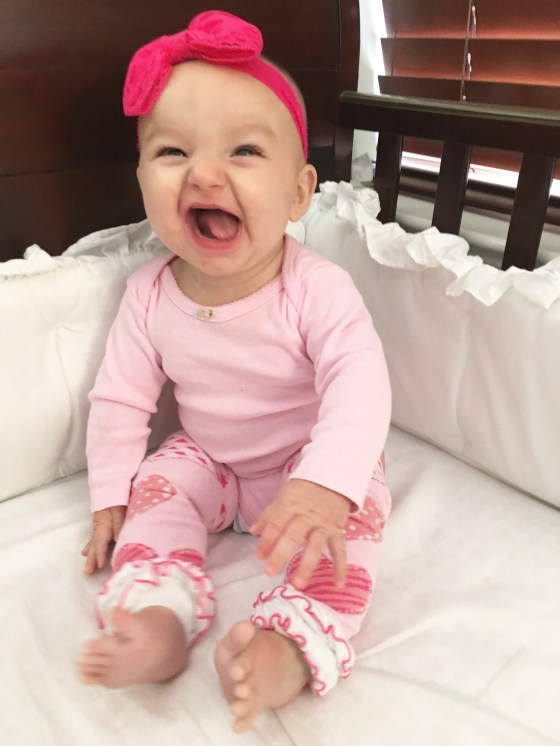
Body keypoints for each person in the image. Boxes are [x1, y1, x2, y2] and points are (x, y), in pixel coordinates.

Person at [77, 10, 392, 733]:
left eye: (245, 150)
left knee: (355, 519)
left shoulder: (315, 287)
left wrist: (328, 481)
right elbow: (120, 399)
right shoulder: (148, 294)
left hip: (306, 464)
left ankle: (290, 642)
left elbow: (359, 379)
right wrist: (110, 494)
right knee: (158, 487)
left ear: (299, 192)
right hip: (211, 458)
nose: (204, 173)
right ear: (142, 179)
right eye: (172, 151)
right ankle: (158, 613)